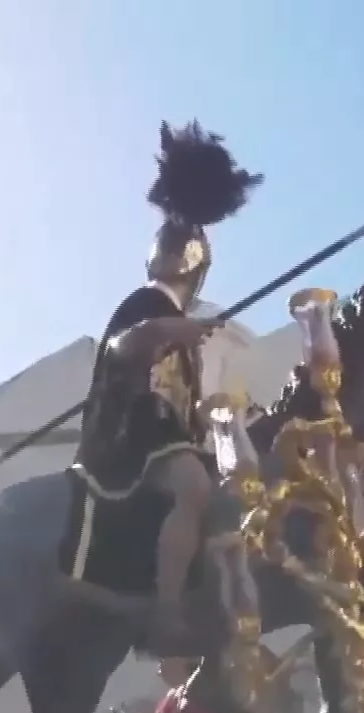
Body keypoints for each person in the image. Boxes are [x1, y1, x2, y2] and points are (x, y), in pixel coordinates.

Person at [70, 122, 262, 651]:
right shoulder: (145, 305)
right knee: (193, 487)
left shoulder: (190, 339)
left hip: (165, 432)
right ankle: (166, 608)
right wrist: (169, 329)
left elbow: (191, 410)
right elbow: (122, 349)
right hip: (130, 430)